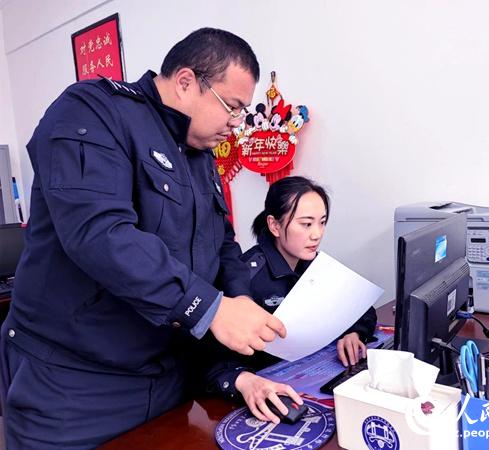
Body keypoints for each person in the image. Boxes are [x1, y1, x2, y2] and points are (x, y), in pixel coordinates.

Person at [0, 28, 287, 447]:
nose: (235, 123)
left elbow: (222, 243)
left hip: (166, 376)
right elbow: (100, 233)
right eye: (232, 107)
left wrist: (240, 301)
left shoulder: (199, 154)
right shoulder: (93, 110)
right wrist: (211, 309)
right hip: (74, 387)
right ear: (186, 81)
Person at [203, 176, 377, 423]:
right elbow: (208, 359)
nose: (317, 234)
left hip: (308, 382)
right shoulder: (243, 279)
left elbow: (359, 306)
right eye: (306, 224)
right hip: (255, 401)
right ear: (274, 226)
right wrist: (243, 379)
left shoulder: (314, 265)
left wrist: (354, 332)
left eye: (322, 222)